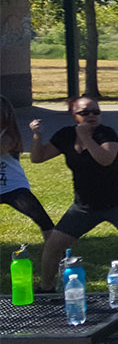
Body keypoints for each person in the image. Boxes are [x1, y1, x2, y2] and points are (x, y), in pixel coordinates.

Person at [28, 97, 118, 293]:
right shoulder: (66, 135)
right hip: (84, 206)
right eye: (85, 113)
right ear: (74, 115)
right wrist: (37, 137)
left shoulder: (106, 133)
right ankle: (46, 288)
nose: (92, 116)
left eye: (96, 112)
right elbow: (38, 158)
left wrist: (86, 137)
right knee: (54, 245)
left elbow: (105, 159)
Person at [2, 96, 53, 241]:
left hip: (14, 188)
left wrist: (37, 133)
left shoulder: (9, 136)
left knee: (42, 219)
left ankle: (57, 253)